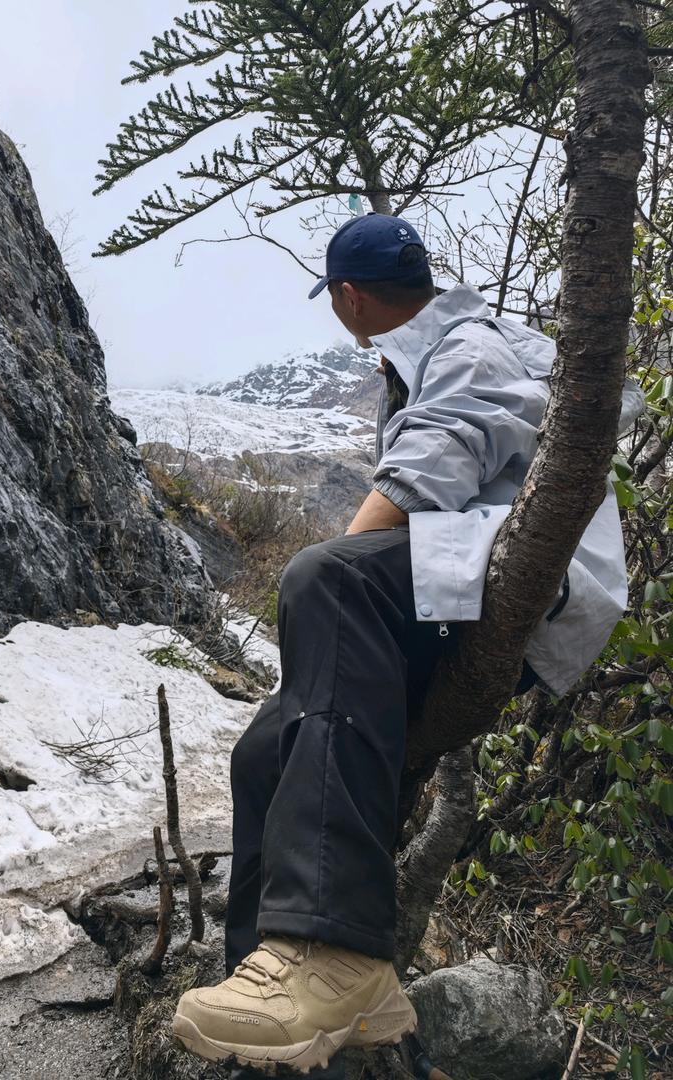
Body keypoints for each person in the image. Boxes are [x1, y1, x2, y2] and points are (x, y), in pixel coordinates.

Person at [171, 213, 642, 1076]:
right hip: (462, 580)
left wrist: (340, 566)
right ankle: (267, 982)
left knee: (328, 577)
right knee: (264, 749)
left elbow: (438, 460)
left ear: (348, 297)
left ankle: (333, 950)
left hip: (533, 581)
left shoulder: (469, 343)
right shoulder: (428, 351)